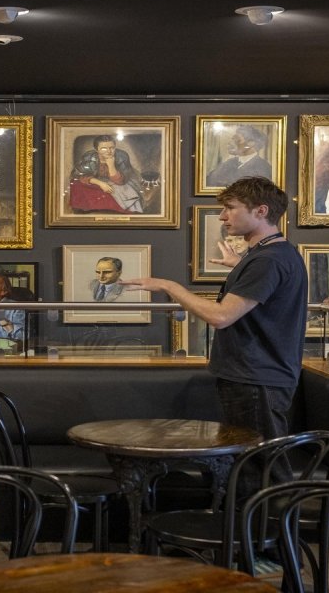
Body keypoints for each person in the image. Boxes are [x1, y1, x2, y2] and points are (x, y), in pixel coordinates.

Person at [121, 177, 306, 441]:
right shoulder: (270, 255)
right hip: (256, 375)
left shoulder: (268, 260)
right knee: (252, 460)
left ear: (261, 211)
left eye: (230, 208)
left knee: (258, 464)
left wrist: (169, 286)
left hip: (255, 378)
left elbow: (220, 317)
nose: (222, 216)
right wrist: (239, 266)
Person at [68, 135, 148, 214]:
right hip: (95, 183)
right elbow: (76, 175)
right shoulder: (89, 157)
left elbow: (120, 181)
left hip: (118, 183)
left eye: (112, 148)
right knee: (76, 184)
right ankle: (90, 208)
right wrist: (100, 183)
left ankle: (115, 209)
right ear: (97, 149)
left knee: (120, 190)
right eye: (104, 148)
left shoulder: (122, 156)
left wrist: (111, 165)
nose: (109, 151)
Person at [205, 125, 272, 188]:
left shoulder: (263, 167)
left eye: (237, 139)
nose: (229, 143)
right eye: (232, 139)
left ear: (251, 143)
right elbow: (208, 182)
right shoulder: (228, 163)